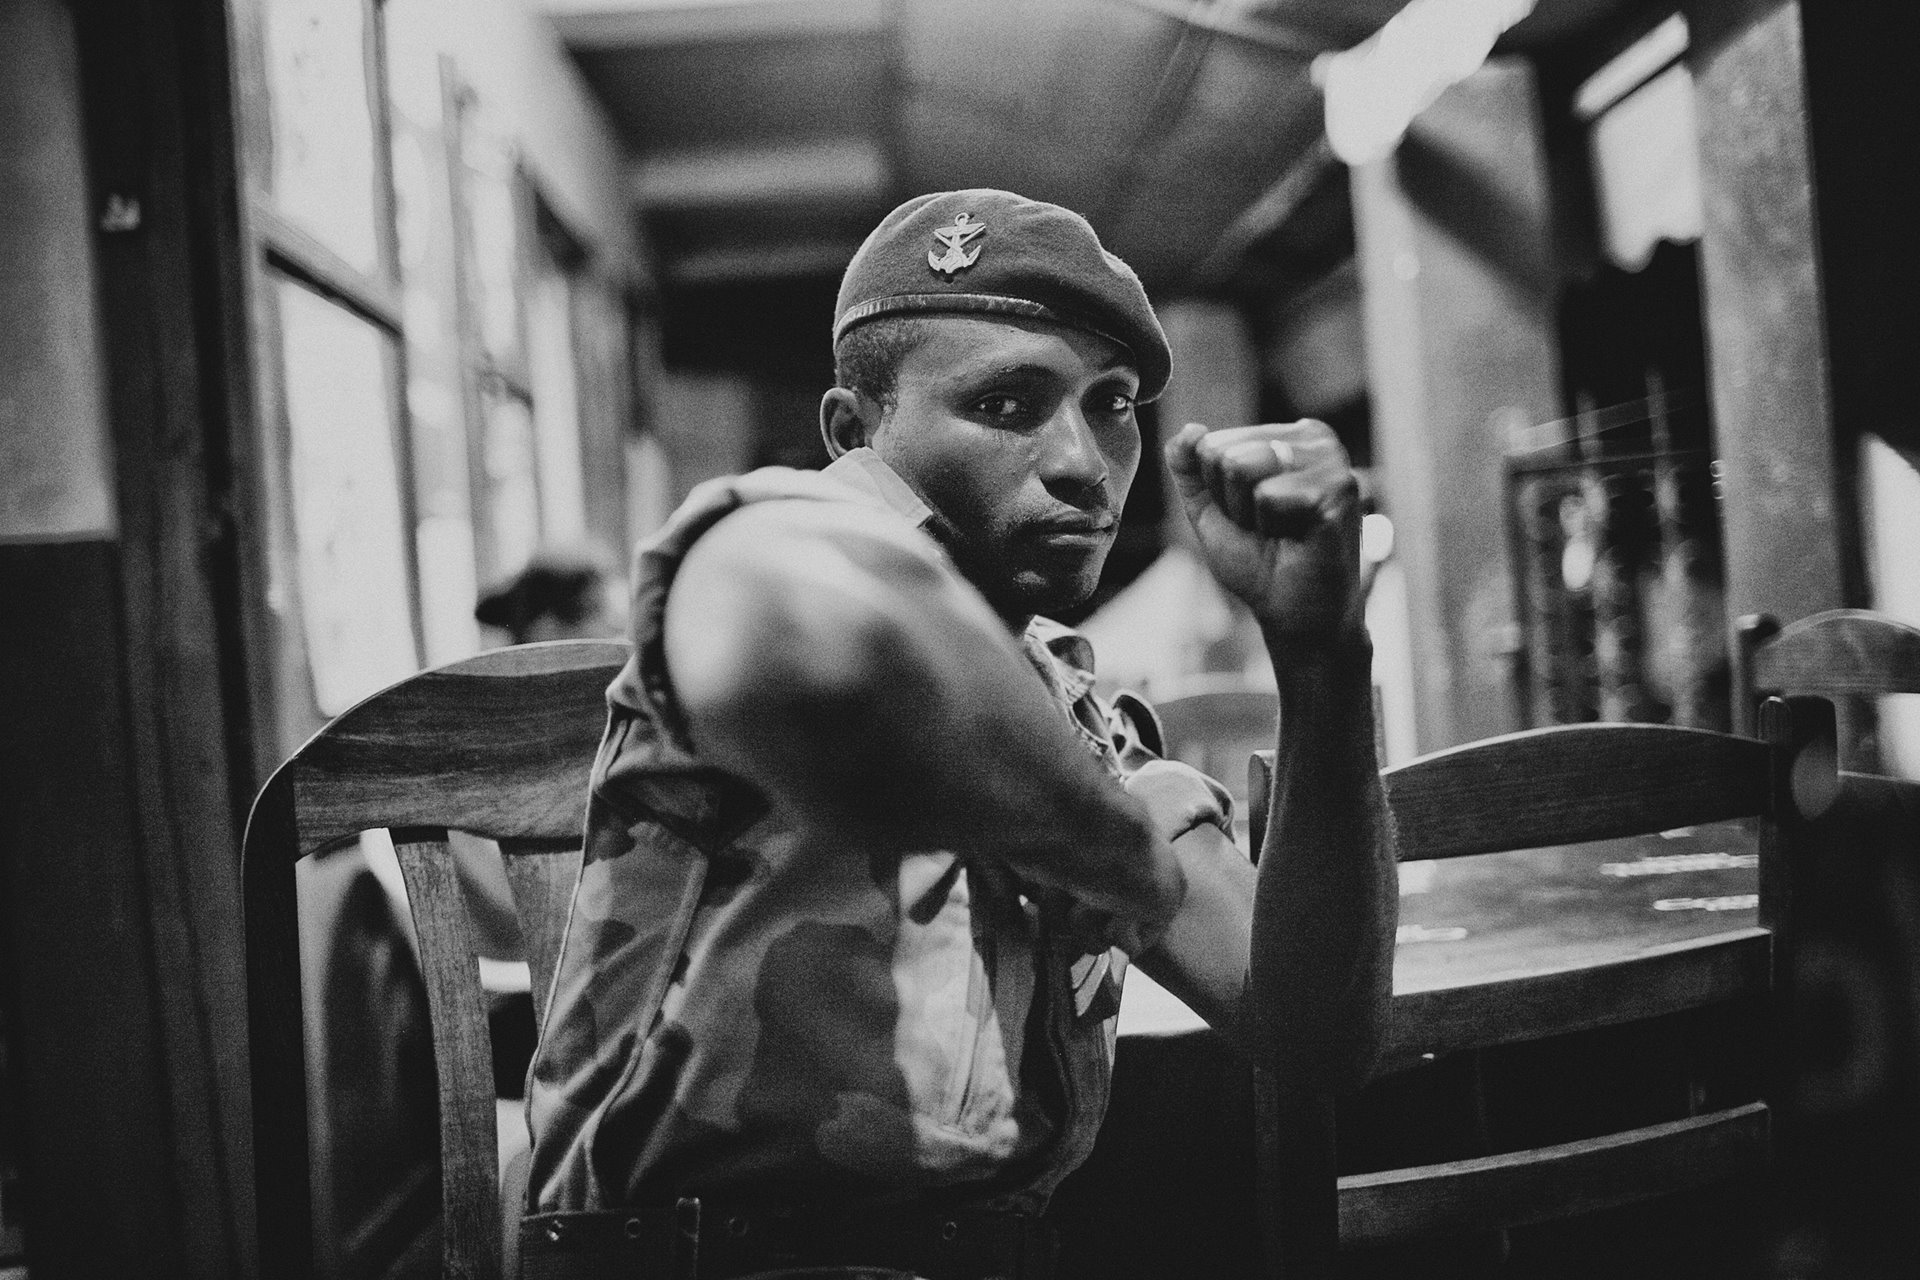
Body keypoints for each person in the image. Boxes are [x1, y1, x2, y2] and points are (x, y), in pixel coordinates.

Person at [519, 189, 1396, 1279]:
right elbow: (813, 644)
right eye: (1008, 402)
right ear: (855, 433)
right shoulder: (767, 542)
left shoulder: (1075, 718)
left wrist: (1323, 658)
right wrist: (1114, 853)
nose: (1083, 460)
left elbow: (1318, 1033)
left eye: (1112, 403)